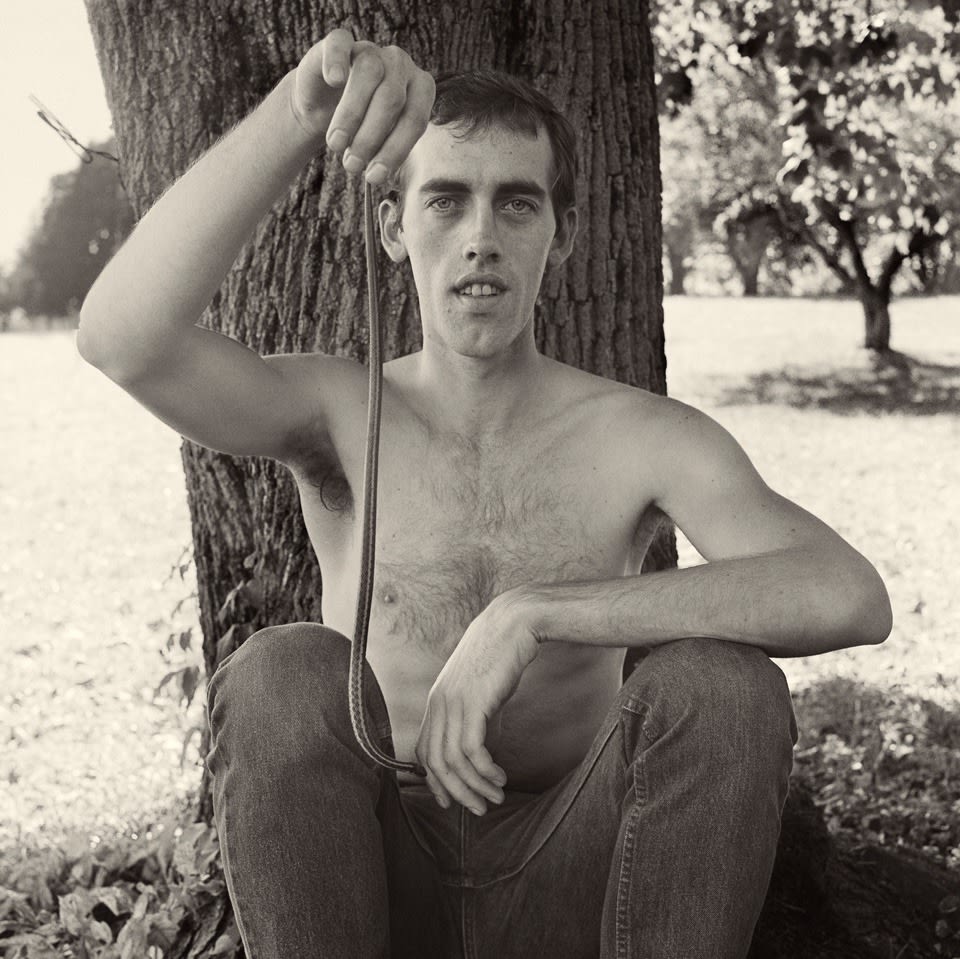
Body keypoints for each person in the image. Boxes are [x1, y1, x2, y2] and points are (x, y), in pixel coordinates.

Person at [78, 28, 892, 959]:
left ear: (562, 231)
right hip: (376, 875)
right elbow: (121, 339)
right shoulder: (337, 411)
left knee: (724, 686)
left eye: (516, 203)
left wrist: (533, 613)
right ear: (394, 228)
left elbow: (847, 593)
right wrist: (303, 116)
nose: (480, 239)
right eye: (446, 200)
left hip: (577, 868)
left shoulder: (640, 435)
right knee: (279, 672)